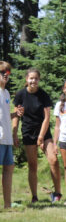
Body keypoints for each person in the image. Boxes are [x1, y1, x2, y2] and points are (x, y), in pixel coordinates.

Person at [13, 68, 62, 203]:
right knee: (32, 165)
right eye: (31, 78)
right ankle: (34, 196)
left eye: (36, 78)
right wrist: (14, 134)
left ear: (39, 80)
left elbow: (47, 118)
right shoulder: (20, 95)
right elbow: (16, 116)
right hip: (28, 132)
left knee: (53, 160)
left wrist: (41, 137)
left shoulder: (43, 95)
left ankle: (57, 193)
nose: (33, 81)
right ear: (27, 79)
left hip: (44, 132)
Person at [0, 62, 19, 209]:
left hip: (7, 138)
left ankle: (7, 205)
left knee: (9, 169)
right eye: (2, 72)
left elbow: (5, 115)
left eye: (8, 72)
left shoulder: (6, 93)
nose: (5, 74)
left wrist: (15, 114)